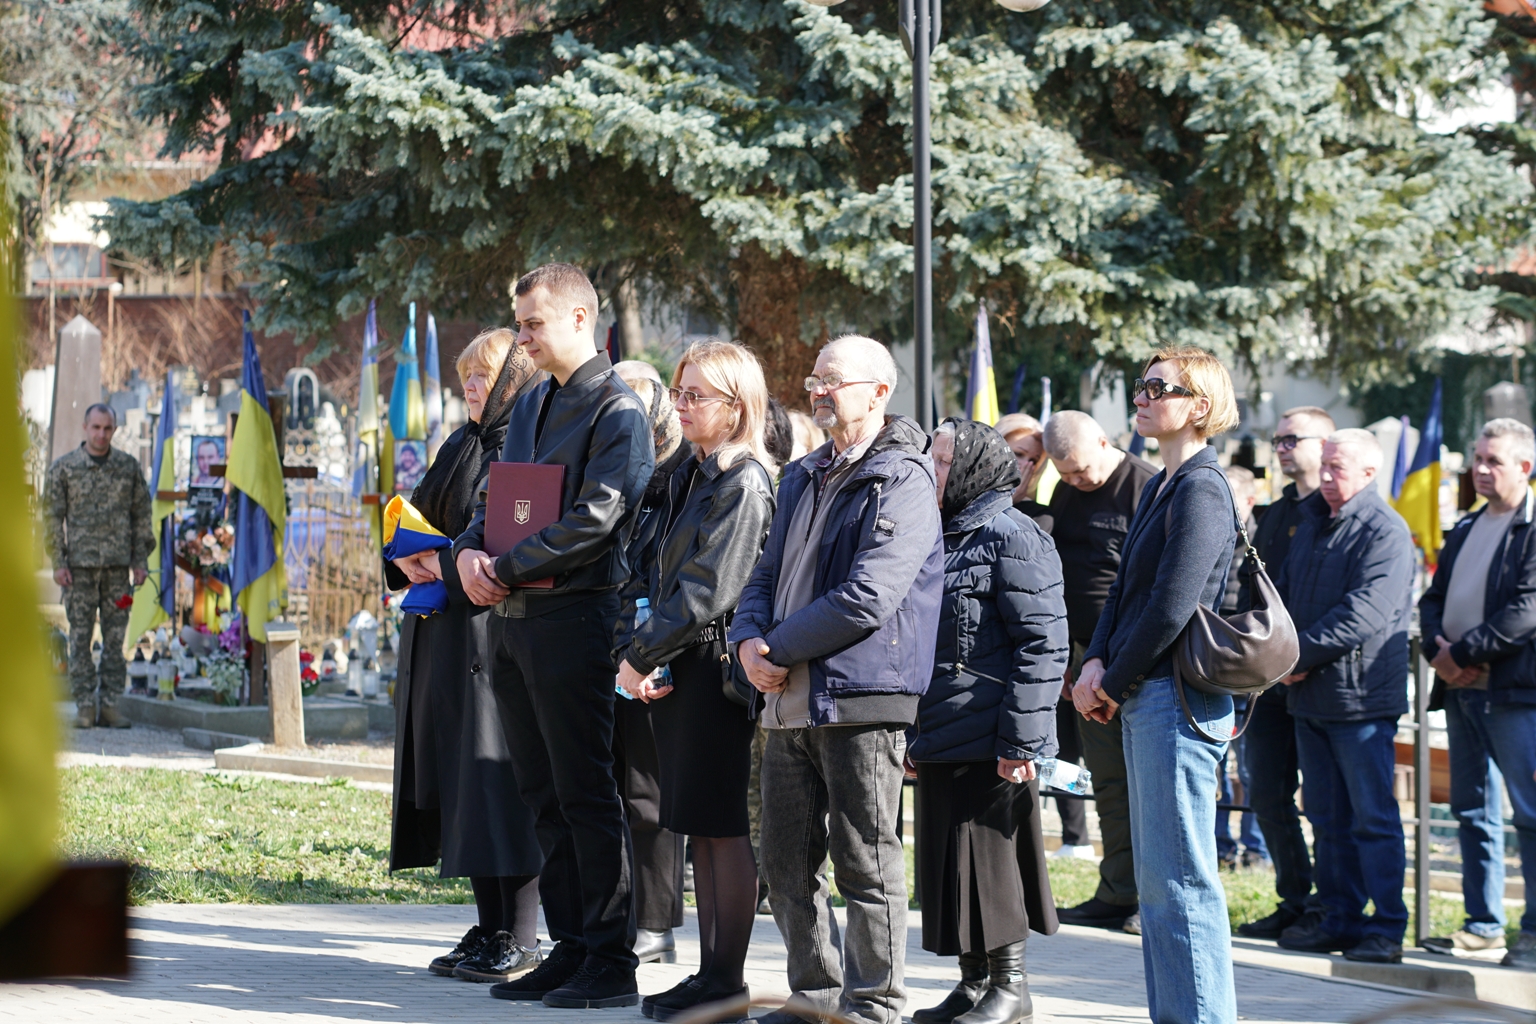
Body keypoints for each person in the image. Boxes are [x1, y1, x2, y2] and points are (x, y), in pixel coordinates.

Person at [452, 263, 654, 1009]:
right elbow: (496, 493)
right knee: (541, 791)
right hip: (513, 619)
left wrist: (502, 564)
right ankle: (570, 945)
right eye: (521, 324)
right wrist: (470, 552)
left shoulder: (617, 412)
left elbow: (598, 517)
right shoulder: (534, 401)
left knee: (585, 793)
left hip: (574, 619)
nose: (523, 339)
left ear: (579, 320)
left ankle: (611, 957)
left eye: (533, 325)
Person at [730, 334, 943, 1024]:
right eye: (814, 377)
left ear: (879, 392)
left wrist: (778, 648)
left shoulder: (903, 478)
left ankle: (874, 1007)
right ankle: (814, 1000)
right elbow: (763, 574)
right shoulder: (801, 473)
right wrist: (746, 641)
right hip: (786, 697)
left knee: (865, 862)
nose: (818, 389)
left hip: (860, 697)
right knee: (785, 865)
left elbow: (869, 596)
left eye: (834, 380)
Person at [1072, 347, 1242, 1024]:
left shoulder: (1203, 485)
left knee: (1180, 883)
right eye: (1138, 388)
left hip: (1178, 697)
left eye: (1156, 388)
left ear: (1198, 406)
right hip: (1148, 692)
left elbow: (1175, 604)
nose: (1140, 398)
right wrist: (1095, 664)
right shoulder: (1165, 483)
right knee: (1157, 885)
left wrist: (1111, 678)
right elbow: (1124, 593)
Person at [615, 340, 778, 1022]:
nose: (680, 406)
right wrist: (647, 649)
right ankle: (712, 976)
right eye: (678, 393)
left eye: (696, 396)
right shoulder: (699, 473)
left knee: (720, 828)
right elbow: (660, 572)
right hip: (686, 661)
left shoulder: (743, 481)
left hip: (717, 670)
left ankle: (727, 981)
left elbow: (709, 592)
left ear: (737, 406)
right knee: (700, 830)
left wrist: (641, 656)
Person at [387, 328, 546, 983]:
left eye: (481, 376)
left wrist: (442, 559)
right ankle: (487, 924)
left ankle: (523, 935)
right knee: (461, 783)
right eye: (466, 379)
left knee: (499, 784)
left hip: (493, 636)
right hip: (445, 634)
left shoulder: (524, 443)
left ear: (513, 377)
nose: (470, 389)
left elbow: (511, 538)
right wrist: (407, 552)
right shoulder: (464, 441)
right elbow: (416, 516)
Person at [910, 419, 1067, 1024]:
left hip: (992, 731)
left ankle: (1012, 986)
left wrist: (1023, 737)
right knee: (952, 861)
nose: (935, 470)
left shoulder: (1013, 533)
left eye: (945, 460)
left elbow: (1044, 643)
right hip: (941, 727)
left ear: (975, 465)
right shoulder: (939, 533)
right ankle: (972, 984)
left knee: (993, 862)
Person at [1274, 428, 1414, 965]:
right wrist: (1279, 652)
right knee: (1327, 818)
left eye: (1338, 468)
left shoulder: (1386, 531)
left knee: (1372, 819)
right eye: (1325, 465)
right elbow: (1282, 594)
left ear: (1370, 474)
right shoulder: (1314, 521)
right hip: (1309, 697)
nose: (1326, 477)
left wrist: (1295, 657)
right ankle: (1339, 917)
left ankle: (1386, 927)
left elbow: (1364, 613)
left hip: (1360, 701)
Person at [1418, 418, 1536, 970]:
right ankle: (1482, 926)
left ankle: (1532, 932)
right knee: (1471, 811)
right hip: (1462, 694)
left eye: (1494, 461)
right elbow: (1432, 599)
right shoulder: (1466, 526)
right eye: (1478, 460)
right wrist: (1440, 653)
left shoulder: (1532, 528)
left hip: (1512, 695)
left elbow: (1525, 613)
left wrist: (1459, 655)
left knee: (1529, 816)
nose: (1481, 470)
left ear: (1525, 468)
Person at [1043, 410, 1157, 924]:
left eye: (1082, 471)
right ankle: (1117, 892)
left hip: (1135, 658)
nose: (1076, 481)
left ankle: (1149, 899)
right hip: (1083, 656)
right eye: (1064, 474)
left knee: (1146, 786)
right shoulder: (1066, 491)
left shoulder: (1146, 487)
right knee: (1108, 782)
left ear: (1106, 443)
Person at [1234, 406, 1334, 938]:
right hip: (1270, 679)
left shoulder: (1338, 508)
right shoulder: (1273, 515)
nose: (1282, 448)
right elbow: (1252, 589)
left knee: (1323, 803)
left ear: (1326, 442)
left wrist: (1303, 658)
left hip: (1319, 677)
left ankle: (1330, 905)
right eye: (1278, 440)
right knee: (1268, 793)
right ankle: (1293, 899)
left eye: (1293, 438)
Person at [611, 359, 691, 967]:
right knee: (608, 792)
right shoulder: (612, 472)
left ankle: (657, 923)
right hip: (603, 644)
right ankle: (614, 916)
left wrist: (645, 651)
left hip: (652, 652)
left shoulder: (677, 479)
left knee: (648, 796)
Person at [45, 404, 154, 729]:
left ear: (115, 430)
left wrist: (140, 561)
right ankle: (84, 706)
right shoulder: (64, 469)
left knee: (115, 638)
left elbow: (141, 516)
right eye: (95, 427)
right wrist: (58, 562)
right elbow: (51, 518)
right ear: (85, 427)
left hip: (117, 570)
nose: (101, 434)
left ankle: (108, 705)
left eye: (107, 428)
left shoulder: (127, 467)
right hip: (78, 570)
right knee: (79, 639)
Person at [1214, 466, 1269, 871]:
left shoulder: (1261, 542)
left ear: (1248, 501)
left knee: (1251, 768)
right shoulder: (1209, 536)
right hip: (1211, 667)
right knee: (1213, 765)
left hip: (1249, 673)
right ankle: (1219, 844)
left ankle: (1256, 849)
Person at [992, 413, 1051, 529]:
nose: (1025, 465)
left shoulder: (1039, 516)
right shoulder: (957, 495)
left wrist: (1009, 501)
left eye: (1033, 461)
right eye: (1018, 454)